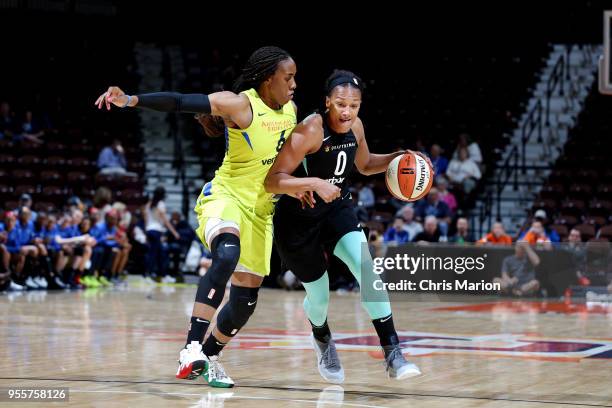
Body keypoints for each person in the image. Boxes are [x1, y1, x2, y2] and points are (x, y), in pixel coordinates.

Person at [95, 46, 297, 387]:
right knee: (227, 253)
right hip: (227, 197)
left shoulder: (291, 110)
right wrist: (130, 100)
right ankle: (190, 347)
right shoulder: (239, 105)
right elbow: (178, 101)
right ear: (268, 79)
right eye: (288, 77)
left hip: (262, 210)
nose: (294, 85)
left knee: (245, 303)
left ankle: (209, 356)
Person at [265, 70, 424, 382]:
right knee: (320, 295)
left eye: (354, 106)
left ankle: (393, 353)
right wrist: (313, 183)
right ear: (327, 102)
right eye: (340, 105)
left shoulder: (357, 126)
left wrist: (397, 158)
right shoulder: (311, 129)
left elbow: (363, 165)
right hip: (297, 220)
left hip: (335, 208)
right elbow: (273, 181)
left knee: (367, 270)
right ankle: (322, 337)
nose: (347, 111)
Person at [144, 187, 179, 280]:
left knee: (157, 253)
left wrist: (146, 232)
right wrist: (175, 232)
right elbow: (166, 221)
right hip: (156, 231)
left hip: (149, 230)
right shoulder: (160, 204)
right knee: (155, 254)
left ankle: (162, 275)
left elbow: (146, 219)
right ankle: (149, 275)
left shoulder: (149, 204)